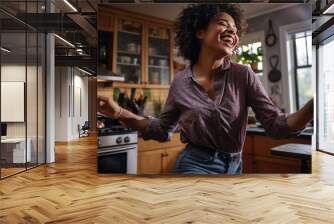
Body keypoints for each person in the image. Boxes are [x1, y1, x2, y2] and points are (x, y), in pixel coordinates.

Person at [98, 4, 313, 175]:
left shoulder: (243, 74)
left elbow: (276, 125)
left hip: (235, 167)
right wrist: (119, 112)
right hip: (194, 164)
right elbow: (162, 129)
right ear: (200, 32)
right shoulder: (180, 81)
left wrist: (315, 104)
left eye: (235, 30)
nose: (232, 31)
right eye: (223, 23)